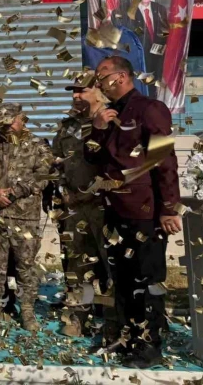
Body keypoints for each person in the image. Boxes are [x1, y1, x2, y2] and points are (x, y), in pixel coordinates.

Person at [85, 56, 181, 368]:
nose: (98, 83)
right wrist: (98, 128)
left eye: (102, 76)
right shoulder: (108, 113)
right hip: (115, 211)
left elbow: (164, 159)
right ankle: (129, 338)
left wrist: (169, 208)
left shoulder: (149, 108)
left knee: (148, 280)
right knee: (123, 280)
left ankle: (150, 346)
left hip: (145, 210)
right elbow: (93, 158)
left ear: (122, 76)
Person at [0, 102, 53, 331]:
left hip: (25, 217)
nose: (8, 128)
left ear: (22, 119)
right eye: (4, 124)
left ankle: (27, 310)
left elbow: (43, 175)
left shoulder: (38, 145)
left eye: (11, 123)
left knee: (25, 267)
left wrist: (15, 192)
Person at [52, 72, 113, 337]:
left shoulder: (111, 118)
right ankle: (78, 316)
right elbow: (56, 161)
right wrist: (63, 191)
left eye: (82, 90)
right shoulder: (67, 126)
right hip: (74, 206)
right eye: (73, 91)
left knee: (111, 263)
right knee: (77, 263)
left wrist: (94, 192)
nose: (76, 96)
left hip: (104, 205)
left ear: (98, 91)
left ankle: (113, 321)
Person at [113, 0, 168, 98]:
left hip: (158, 71)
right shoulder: (121, 12)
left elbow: (164, 39)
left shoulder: (160, 10)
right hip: (136, 72)